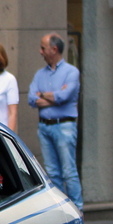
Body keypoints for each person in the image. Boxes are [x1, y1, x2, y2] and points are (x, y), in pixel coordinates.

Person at [27, 33, 82, 209]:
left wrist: (42, 95)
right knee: (52, 172)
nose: (40, 51)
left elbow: (65, 96)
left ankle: (77, 208)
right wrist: (54, 96)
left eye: (43, 48)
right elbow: (30, 99)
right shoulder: (39, 74)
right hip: (45, 127)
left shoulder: (71, 72)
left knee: (68, 171)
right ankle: (61, 209)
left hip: (64, 125)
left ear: (54, 49)